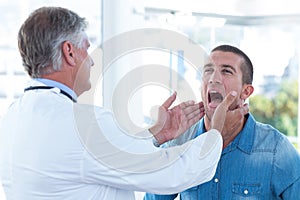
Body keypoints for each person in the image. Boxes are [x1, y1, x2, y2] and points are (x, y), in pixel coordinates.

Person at [0, 7, 247, 200]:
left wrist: (155, 135)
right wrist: (217, 132)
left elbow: (98, 160)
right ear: (69, 52)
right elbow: (173, 173)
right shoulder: (82, 125)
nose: (92, 62)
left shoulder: (14, 117)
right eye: (86, 49)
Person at [145, 44, 300, 199]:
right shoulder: (181, 142)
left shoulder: (276, 150)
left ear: (246, 91)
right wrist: (156, 138)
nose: (213, 79)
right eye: (208, 71)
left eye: (226, 71)